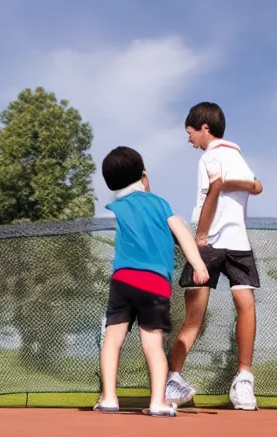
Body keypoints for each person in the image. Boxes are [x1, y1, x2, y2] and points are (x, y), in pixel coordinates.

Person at [94, 146, 209, 417]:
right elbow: (182, 233)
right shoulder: (160, 203)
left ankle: (109, 397)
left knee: (112, 339)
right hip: (156, 283)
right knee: (153, 344)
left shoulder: (117, 205)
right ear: (144, 177)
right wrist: (198, 265)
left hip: (123, 279)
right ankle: (158, 401)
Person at [165, 102, 263, 411]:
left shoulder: (213, 156)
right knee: (218, 311)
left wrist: (202, 236)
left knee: (199, 316)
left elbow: (219, 192)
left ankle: (242, 380)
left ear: (204, 127)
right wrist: (227, 185)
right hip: (226, 245)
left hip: (219, 244)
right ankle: (173, 380)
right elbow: (255, 186)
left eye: (190, 132)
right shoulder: (235, 154)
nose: (189, 139)